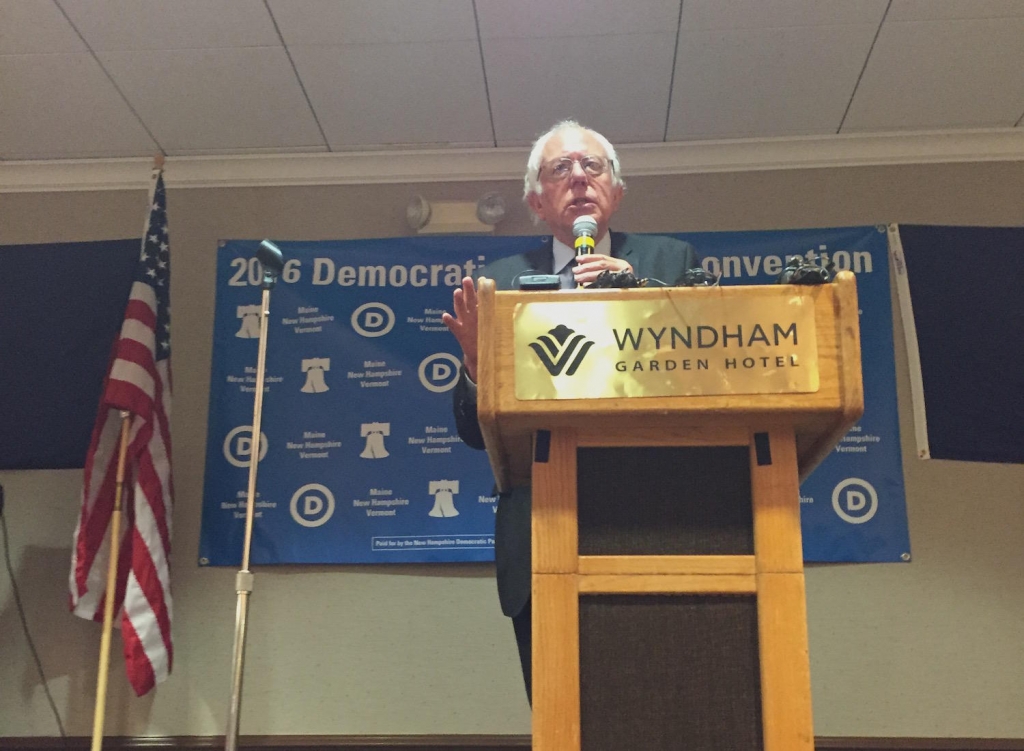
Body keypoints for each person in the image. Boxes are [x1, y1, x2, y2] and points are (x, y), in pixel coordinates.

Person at [441, 120, 699, 701]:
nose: (580, 177)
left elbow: (702, 371)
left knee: (659, 710)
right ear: (536, 200)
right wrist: (478, 368)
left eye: (593, 166)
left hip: (656, 522)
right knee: (561, 713)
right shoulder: (501, 283)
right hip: (541, 531)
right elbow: (470, 433)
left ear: (618, 191)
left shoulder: (669, 261)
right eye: (561, 169)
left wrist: (644, 297)